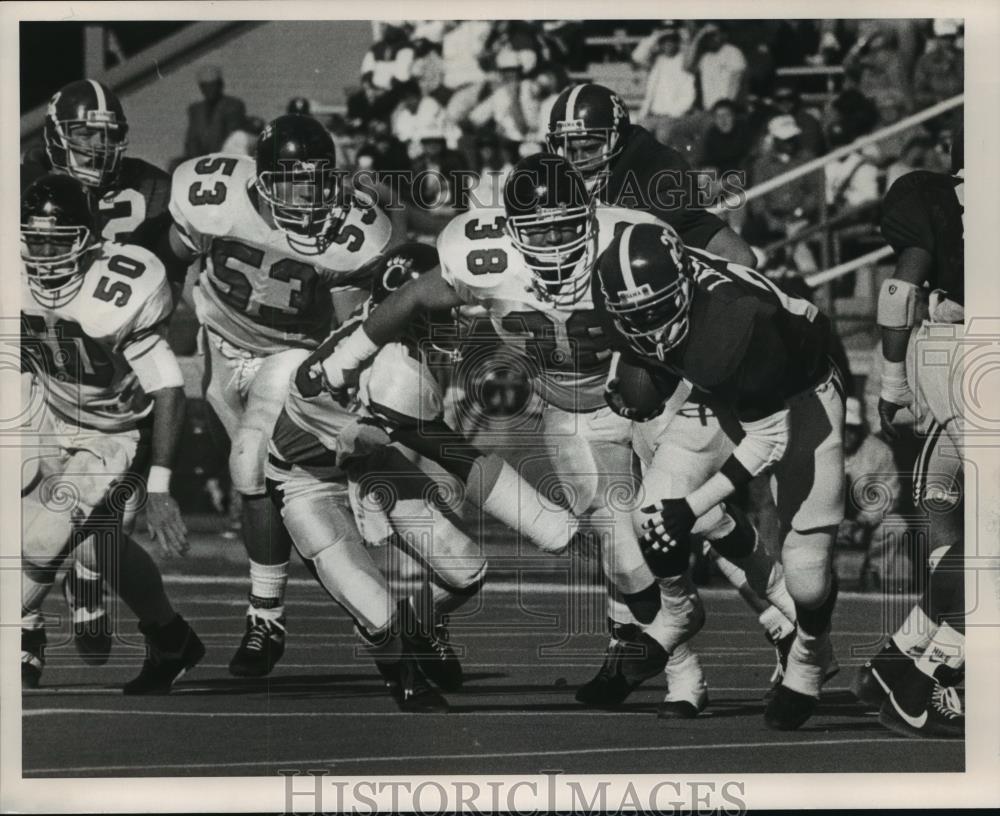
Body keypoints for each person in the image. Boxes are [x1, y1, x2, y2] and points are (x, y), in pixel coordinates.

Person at [319, 154, 794, 713]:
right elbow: (419, 295)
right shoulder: (478, 256)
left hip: (659, 389)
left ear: (589, 216)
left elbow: (722, 278)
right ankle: (683, 675)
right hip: (572, 411)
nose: (555, 245)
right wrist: (349, 355)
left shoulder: (629, 237)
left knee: (695, 513)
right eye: (539, 232)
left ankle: (787, 619)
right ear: (513, 231)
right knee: (624, 554)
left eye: (567, 227)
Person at [155, 114, 399, 678]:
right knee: (266, 492)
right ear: (261, 178)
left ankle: (267, 618)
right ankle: (364, 613)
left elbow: (348, 332)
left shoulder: (350, 230)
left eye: (316, 178)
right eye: (289, 178)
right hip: (220, 343)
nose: (305, 193)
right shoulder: (212, 194)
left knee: (253, 463)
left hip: (292, 352)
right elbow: (171, 256)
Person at [594, 221, 845, 731]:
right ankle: (678, 612)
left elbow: (767, 441)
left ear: (684, 286)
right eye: (632, 316)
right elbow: (646, 334)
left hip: (802, 391)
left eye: (656, 309)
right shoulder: (625, 296)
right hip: (718, 386)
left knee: (806, 571)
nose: (645, 325)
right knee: (649, 514)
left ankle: (809, 654)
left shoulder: (737, 325)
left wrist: (691, 509)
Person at [20, 174, 201, 693]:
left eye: (59, 240)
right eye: (37, 239)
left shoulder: (121, 286)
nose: (46, 253)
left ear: (88, 240)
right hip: (43, 405)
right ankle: (172, 638)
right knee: (98, 547)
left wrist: (161, 487)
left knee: (45, 532)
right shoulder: (12, 272)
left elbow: (169, 388)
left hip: (109, 429)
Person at [854, 136, 965, 740]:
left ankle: (894, 662)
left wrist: (894, 380)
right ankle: (922, 689)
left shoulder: (939, 195)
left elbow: (900, 292)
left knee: (963, 545)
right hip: (981, 360)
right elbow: (900, 290)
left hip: (945, 362)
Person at [546, 82, 756, 267]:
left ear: (616, 139)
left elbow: (739, 257)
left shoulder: (654, 171)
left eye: (590, 147)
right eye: (570, 149)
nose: (578, 160)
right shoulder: (554, 177)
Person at [840, 397, 902, 590]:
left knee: (895, 525)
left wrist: (863, 520)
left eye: (853, 428)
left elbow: (888, 494)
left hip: (864, 523)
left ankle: (877, 578)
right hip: (827, 524)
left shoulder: (879, 451)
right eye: (844, 428)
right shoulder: (819, 450)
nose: (848, 434)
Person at [636, 26, 697, 146]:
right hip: (652, 115)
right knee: (635, 136)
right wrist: (656, 35)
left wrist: (673, 114)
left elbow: (690, 96)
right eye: (664, 42)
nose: (668, 45)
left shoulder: (685, 62)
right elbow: (637, 56)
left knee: (662, 139)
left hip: (672, 117)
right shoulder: (657, 61)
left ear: (677, 43)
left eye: (671, 42)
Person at [183, 65, 246, 159]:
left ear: (220, 85)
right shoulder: (195, 109)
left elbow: (232, 137)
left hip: (225, 157)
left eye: (213, 85)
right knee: (174, 165)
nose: (209, 90)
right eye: (205, 86)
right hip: (199, 159)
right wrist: (195, 159)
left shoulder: (233, 105)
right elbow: (192, 139)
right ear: (201, 88)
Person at [684, 23, 747, 110]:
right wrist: (698, 37)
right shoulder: (705, 57)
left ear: (722, 35)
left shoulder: (733, 52)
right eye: (708, 36)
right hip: (709, 109)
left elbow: (735, 84)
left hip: (727, 109)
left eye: (714, 35)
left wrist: (726, 108)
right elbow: (687, 67)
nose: (711, 39)